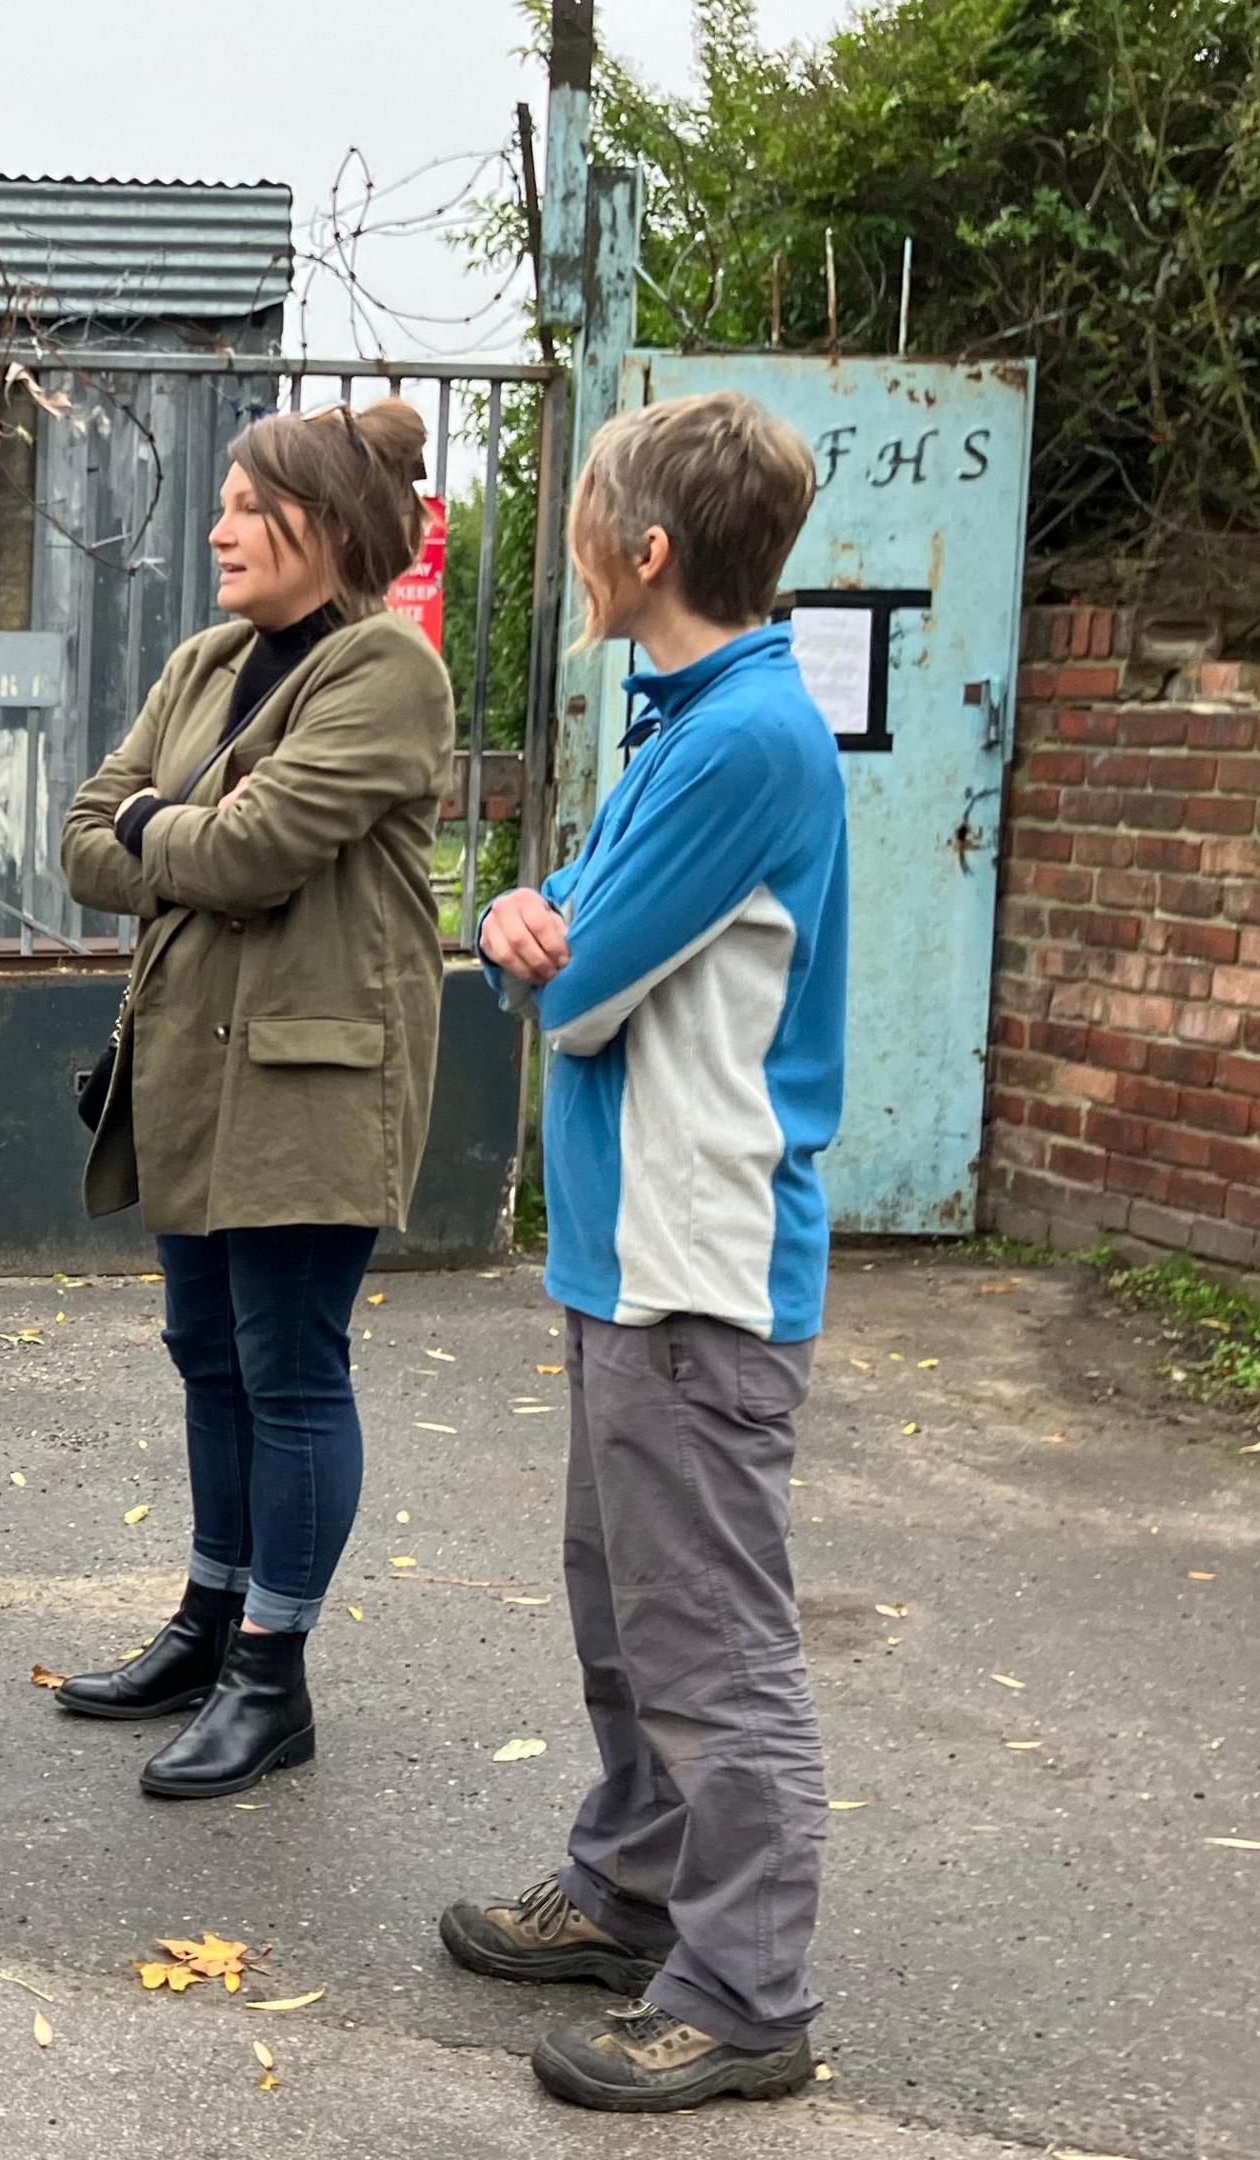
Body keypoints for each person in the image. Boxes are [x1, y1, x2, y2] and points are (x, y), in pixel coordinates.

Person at [441, 389, 846, 2113]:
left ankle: (746, 1991)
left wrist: (530, 935)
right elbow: (562, 920)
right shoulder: (692, 716)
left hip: (700, 1259)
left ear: (649, 550)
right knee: (625, 1611)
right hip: (636, 1256)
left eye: (591, 517)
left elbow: (585, 983)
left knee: (710, 1649)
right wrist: (519, 918)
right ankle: (632, 1888)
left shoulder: (745, 735)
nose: (578, 554)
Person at [52, 398, 453, 1803]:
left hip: (312, 1080)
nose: (217, 528)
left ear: (329, 527)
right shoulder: (208, 660)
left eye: (247, 505)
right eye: (222, 502)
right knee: (205, 1355)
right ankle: (209, 1621)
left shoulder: (383, 670)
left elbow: (256, 851)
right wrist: (178, 832)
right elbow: (82, 837)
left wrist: (166, 831)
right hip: (188, 1067)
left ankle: (273, 1678)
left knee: (289, 1370)